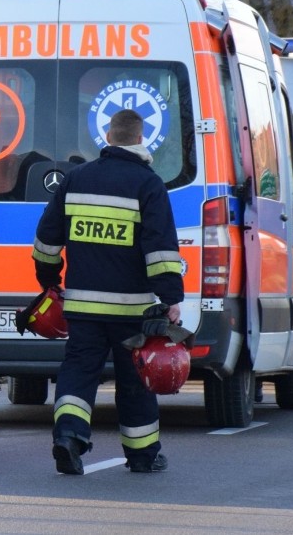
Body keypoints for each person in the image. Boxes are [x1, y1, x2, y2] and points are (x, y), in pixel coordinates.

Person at [32, 108, 184, 475]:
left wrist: (50, 280)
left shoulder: (76, 179)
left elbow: (46, 240)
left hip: (82, 308)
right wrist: (171, 299)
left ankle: (68, 437)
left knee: (78, 373)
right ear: (139, 137)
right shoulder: (148, 185)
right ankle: (143, 455)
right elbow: (160, 250)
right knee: (135, 383)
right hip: (132, 312)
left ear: (109, 137)